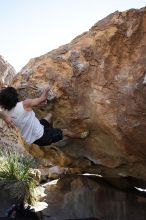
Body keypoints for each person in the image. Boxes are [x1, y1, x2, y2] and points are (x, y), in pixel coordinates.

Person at [0, 86, 89, 146]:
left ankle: (51, 130)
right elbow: (42, 99)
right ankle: (80, 136)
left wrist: (4, 116)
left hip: (36, 135)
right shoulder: (25, 104)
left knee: (50, 115)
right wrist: (46, 89)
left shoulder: (6, 113)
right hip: (42, 136)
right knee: (64, 131)